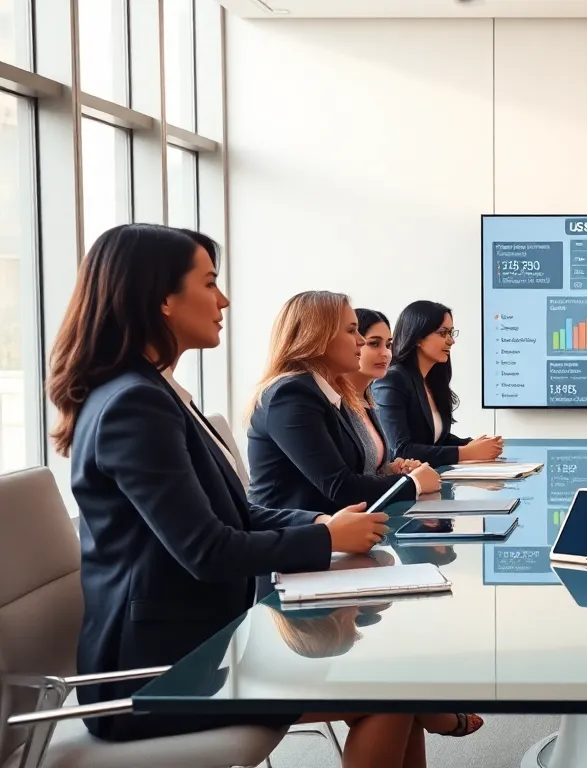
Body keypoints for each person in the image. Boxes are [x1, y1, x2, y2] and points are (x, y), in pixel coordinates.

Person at [45, 223, 442, 765]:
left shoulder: (152, 393)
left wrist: (321, 527)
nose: (223, 299)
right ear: (161, 297)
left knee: (395, 683)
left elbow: (235, 512)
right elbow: (208, 551)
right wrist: (322, 540)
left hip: (200, 646)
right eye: (209, 283)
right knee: (389, 694)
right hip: (157, 679)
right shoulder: (134, 405)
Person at [246, 291, 441, 514]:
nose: (360, 340)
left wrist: (389, 472)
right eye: (351, 330)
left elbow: (347, 470)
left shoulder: (328, 392)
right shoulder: (291, 394)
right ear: (317, 336)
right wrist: (413, 483)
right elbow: (341, 487)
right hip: (297, 537)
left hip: (331, 528)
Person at [372, 300, 502, 465]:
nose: (451, 341)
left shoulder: (432, 380)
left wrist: (474, 444)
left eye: (451, 333)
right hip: (407, 484)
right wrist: (465, 452)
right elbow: (401, 450)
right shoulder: (391, 380)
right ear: (418, 337)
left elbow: (437, 440)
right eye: (443, 333)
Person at [346, 307, 424, 476]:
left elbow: (369, 469)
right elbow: (345, 480)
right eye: (374, 344)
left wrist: (391, 470)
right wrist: (413, 484)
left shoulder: (369, 400)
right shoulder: (334, 402)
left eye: (388, 345)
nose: (386, 353)